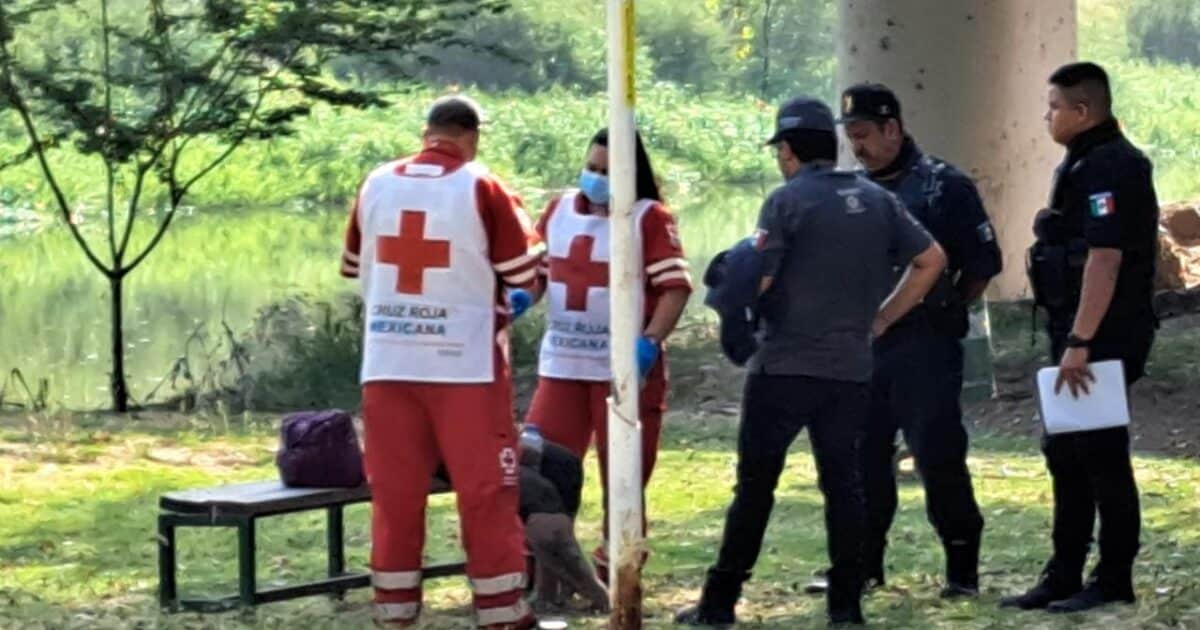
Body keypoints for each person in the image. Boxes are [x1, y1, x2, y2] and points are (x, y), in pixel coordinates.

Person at [675, 97, 948, 627]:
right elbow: (931, 259)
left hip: (782, 367)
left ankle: (719, 602)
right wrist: (883, 319)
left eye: (780, 148)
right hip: (850, 368)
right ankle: (845, 606)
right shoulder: (876, 199)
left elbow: (762, 278)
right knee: (844, 486)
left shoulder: (785, 203)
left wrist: (737, 306)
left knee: (755, 488)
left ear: (790, 151)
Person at [341, 94, 544, 629]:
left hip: (387, 364)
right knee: (486, 493)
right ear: (472, 135)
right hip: (464, 367)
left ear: (428, 131)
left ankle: (395, 611)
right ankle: (503, 613)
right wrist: (518, 295)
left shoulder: (375, 183)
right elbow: (526, 274)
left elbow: (357, 266)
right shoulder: (482, 185)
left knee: (395, 497)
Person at [805, 83, 1002, 598]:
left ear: (894, 128)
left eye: (866, 134)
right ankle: (862, 566)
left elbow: (981, 265)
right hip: (863, 346)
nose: (859, 147)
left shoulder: (943, 186)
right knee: (860, 458)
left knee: (937, 455)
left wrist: (945, 305)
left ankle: (962, 572)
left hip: (924, 345)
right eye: (851, 137)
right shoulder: (849, 191)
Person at [1002, 61, 1158, 614]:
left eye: (1052, 107)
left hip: (1100, 336)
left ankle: (1112, 576)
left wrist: (1080, 341)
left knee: (1100, 455)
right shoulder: (1084, 161)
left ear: (1082, 111)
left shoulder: (1113, 166)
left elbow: (1105, 259)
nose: (1046, 116)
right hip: (1078, 331)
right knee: (1065, 453)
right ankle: (1063, 573)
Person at [519, 128, 692, 581]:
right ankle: (541, 567)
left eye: (607, 171)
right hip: (564, 366)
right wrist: (521, 297)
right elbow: (539, 273)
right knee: (539, 472)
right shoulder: (558, 211)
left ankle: (617, 569)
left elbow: (674, 288)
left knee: (624, 478)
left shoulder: (648, 218)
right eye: (591, 169)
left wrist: (649, 342)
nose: (595, 179)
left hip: (625, 373)